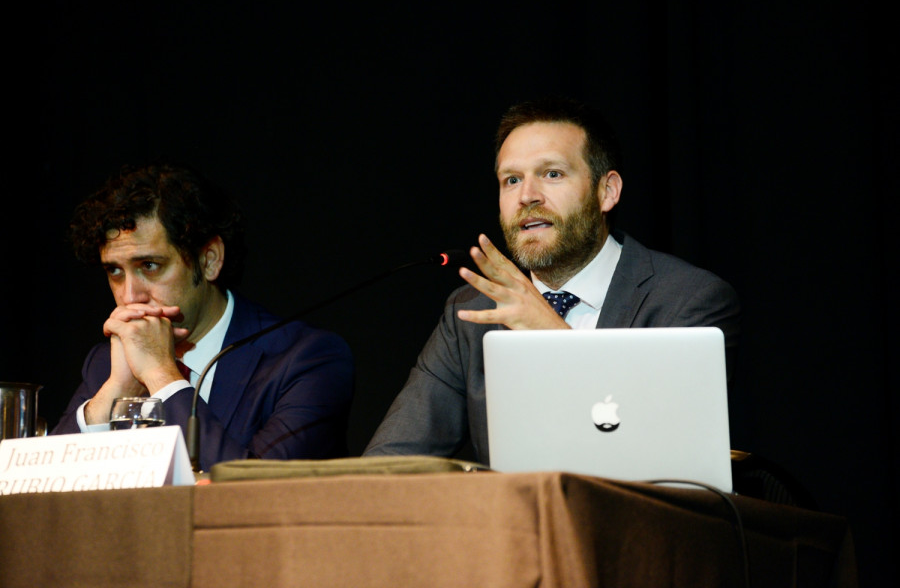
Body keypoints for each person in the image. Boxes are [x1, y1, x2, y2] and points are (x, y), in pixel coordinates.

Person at [364, 97, 740, 465]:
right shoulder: (471, 310)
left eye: (552, 174)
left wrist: (550, 335)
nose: (527, 196)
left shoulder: (688, 300)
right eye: (511, 180)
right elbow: (389, 463)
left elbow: (666, 460)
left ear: (607, 191)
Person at [52, 163, 354, 472]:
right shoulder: (107, 364)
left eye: (150, 265)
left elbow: (255, 496)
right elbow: (38, 496)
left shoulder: (306, 360)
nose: (129, 297)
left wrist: (161, 377)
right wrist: (115, 391)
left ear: (209, 260)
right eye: (114, 271)